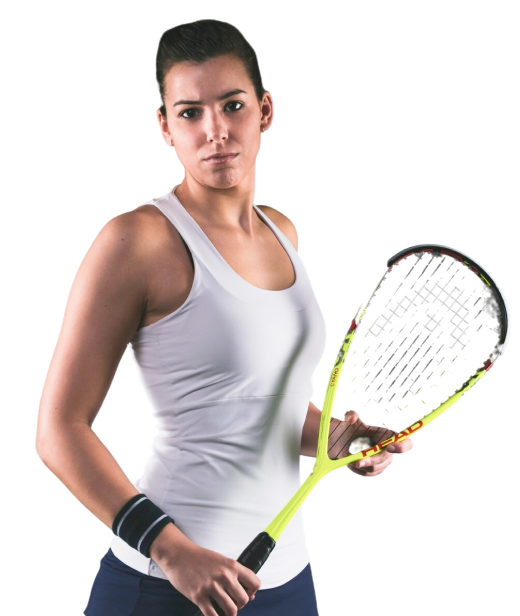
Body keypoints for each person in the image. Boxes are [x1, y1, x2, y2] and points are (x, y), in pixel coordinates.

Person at [35, 19, 413, 616]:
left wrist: (338, 439)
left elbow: (264, 403)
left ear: (265, 111)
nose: (215, 131)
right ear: (165, 127)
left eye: (233, 105)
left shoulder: (282, 230)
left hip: (287, 576)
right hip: (167, 583)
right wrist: (173, 552)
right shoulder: (136, 240)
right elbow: (58, 430)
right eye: (190, 113)